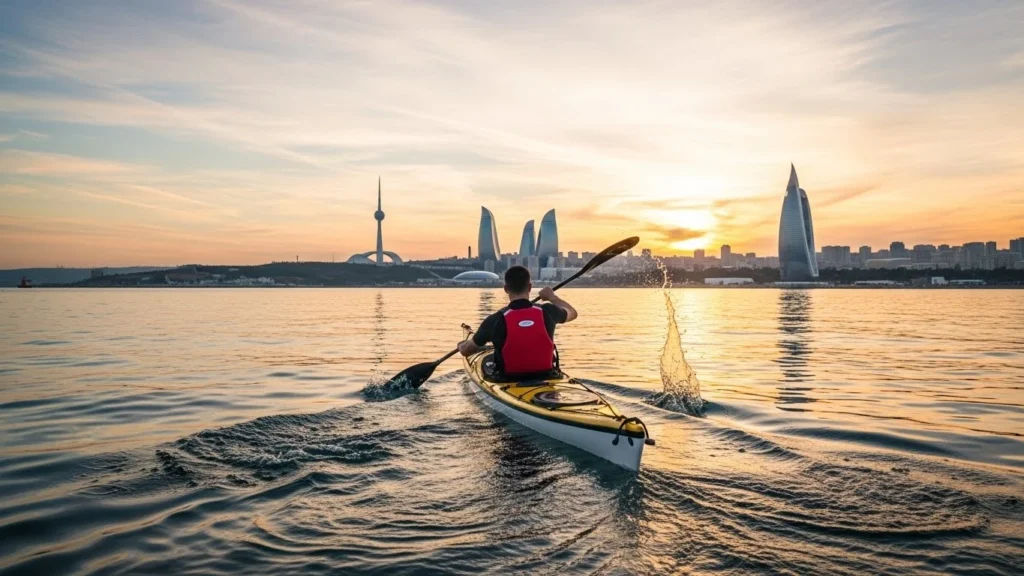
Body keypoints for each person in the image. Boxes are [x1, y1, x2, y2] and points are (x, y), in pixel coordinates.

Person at [458, 265, 577, 377]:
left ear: (506, 289)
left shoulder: (494, 320)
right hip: (546, 375)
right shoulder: (548, 311)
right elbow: (572, 312)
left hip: (508, 379)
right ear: (530, 287)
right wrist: (552, 297)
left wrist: (461, 346)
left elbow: (467, 351)